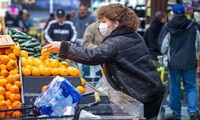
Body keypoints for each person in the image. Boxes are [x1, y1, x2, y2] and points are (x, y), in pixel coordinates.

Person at [43, 4, 165, 119]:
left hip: (141, 96)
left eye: (104, 22)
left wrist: (64, 47)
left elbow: (92, 56)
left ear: (116, 23)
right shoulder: (134, 36)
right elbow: (123, 60)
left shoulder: (116, 42)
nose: (100, 25)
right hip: (151, 89)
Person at [158, 4, 200, 120]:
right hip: (190, 61)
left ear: (173, 13)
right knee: (191, 87)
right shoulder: (193, 26)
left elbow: (163, 47)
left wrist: (166, 55)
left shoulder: (168, 26)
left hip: (174, 63)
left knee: (174, 88)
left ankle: (176, 114)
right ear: (185, 12)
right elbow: (198, 42)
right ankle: (192, 111)